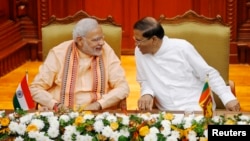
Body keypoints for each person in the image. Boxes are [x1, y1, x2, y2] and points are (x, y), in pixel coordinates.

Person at [133, 17, 240, 112]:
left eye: (138, 40)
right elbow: (144, 80)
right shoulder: (139, 52)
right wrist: (147, 93)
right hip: (166, 113)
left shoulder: (182, 47)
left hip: (196, 107)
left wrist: (227, 97)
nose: (136, 44)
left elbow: (208, 74)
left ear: (154, 40)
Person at [30, 18, 129, 111]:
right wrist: (56, 105)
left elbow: (123, 87)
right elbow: (35, 88)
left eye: (102, 38)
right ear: (80, 40)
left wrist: (98, 105)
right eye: (96, 40)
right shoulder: (58, 53)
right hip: (62, 114)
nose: (102, 43)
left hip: (99, 114)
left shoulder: (106, 51)